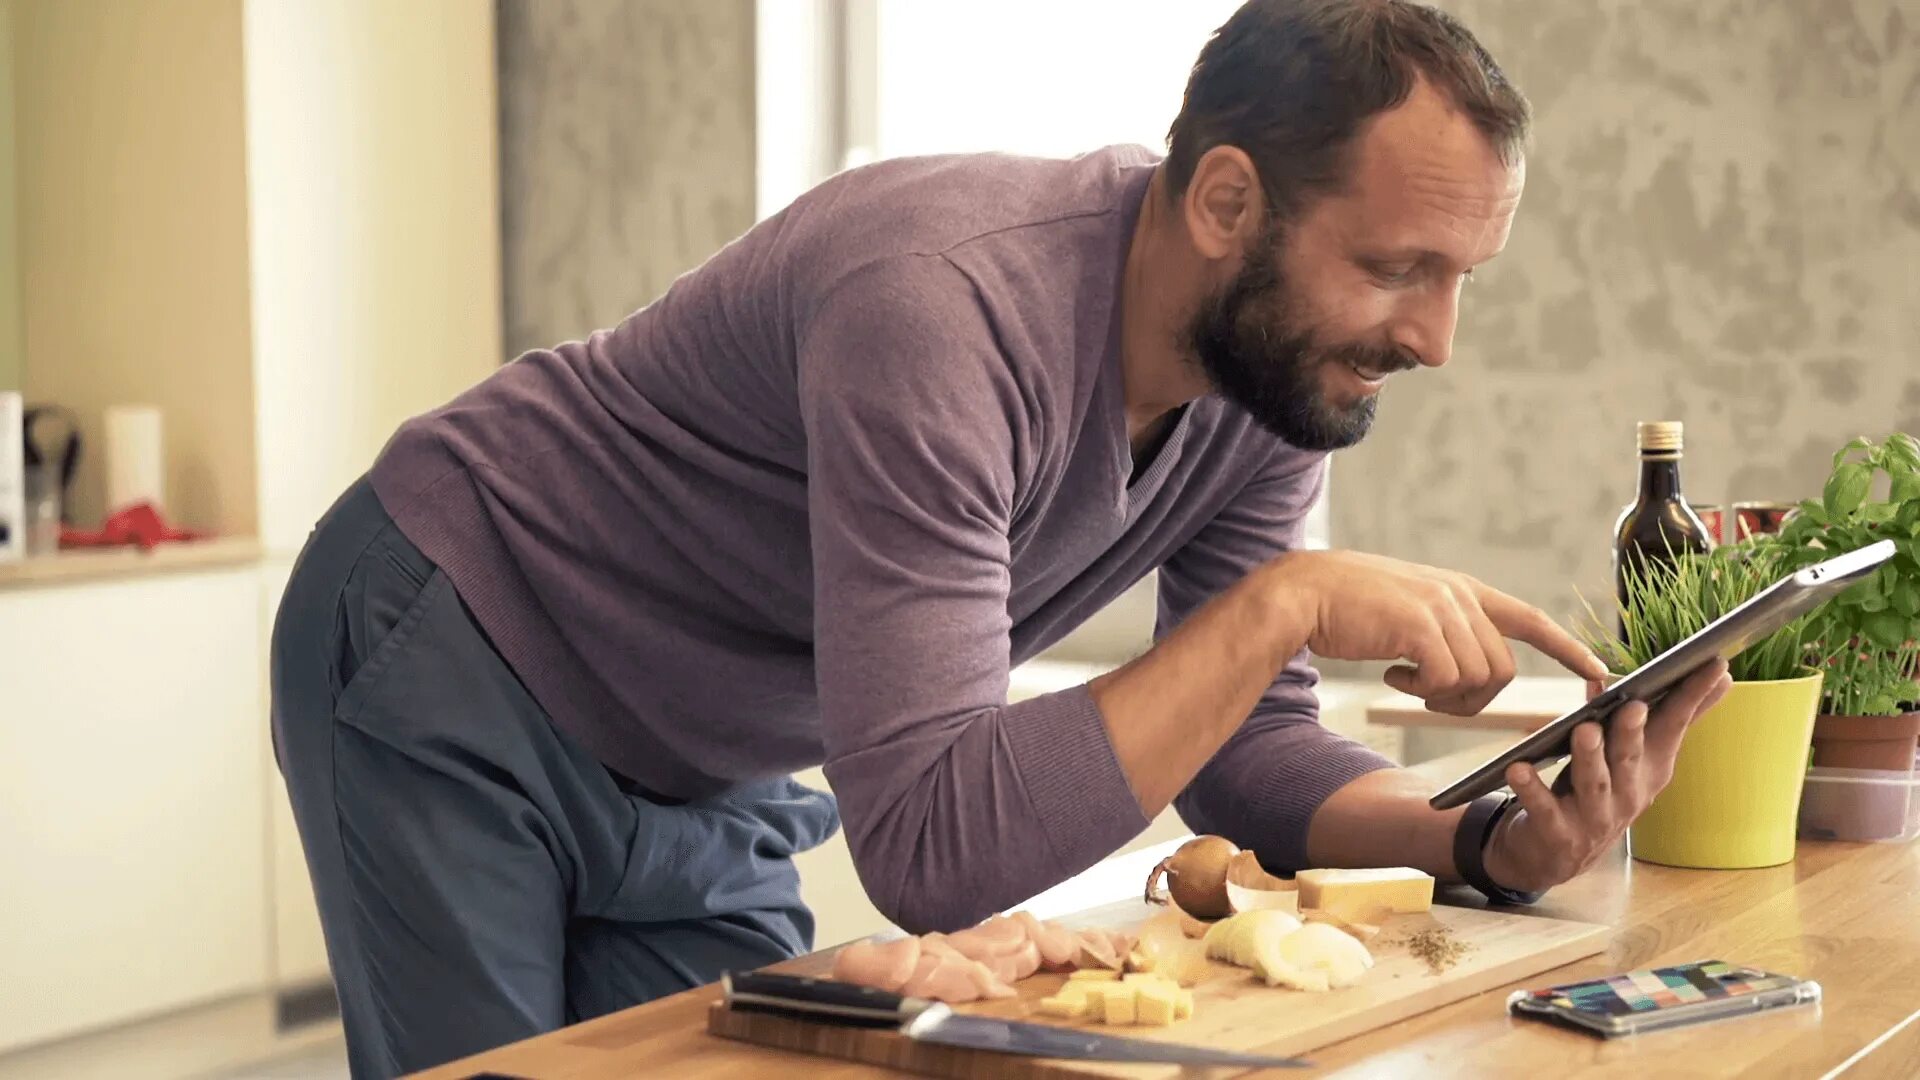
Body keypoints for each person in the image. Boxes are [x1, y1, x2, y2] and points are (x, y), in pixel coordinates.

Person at [271, 1, 1733, 1075]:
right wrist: (1283, 604)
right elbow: (932, 848)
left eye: (1460, 276)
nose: (1434, 337)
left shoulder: (1267, 383)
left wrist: (1482, 837)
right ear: (1227, 199)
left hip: (698, 749)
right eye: (1396, 269)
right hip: (459, 631)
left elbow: (1249, 751)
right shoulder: (940, 309)